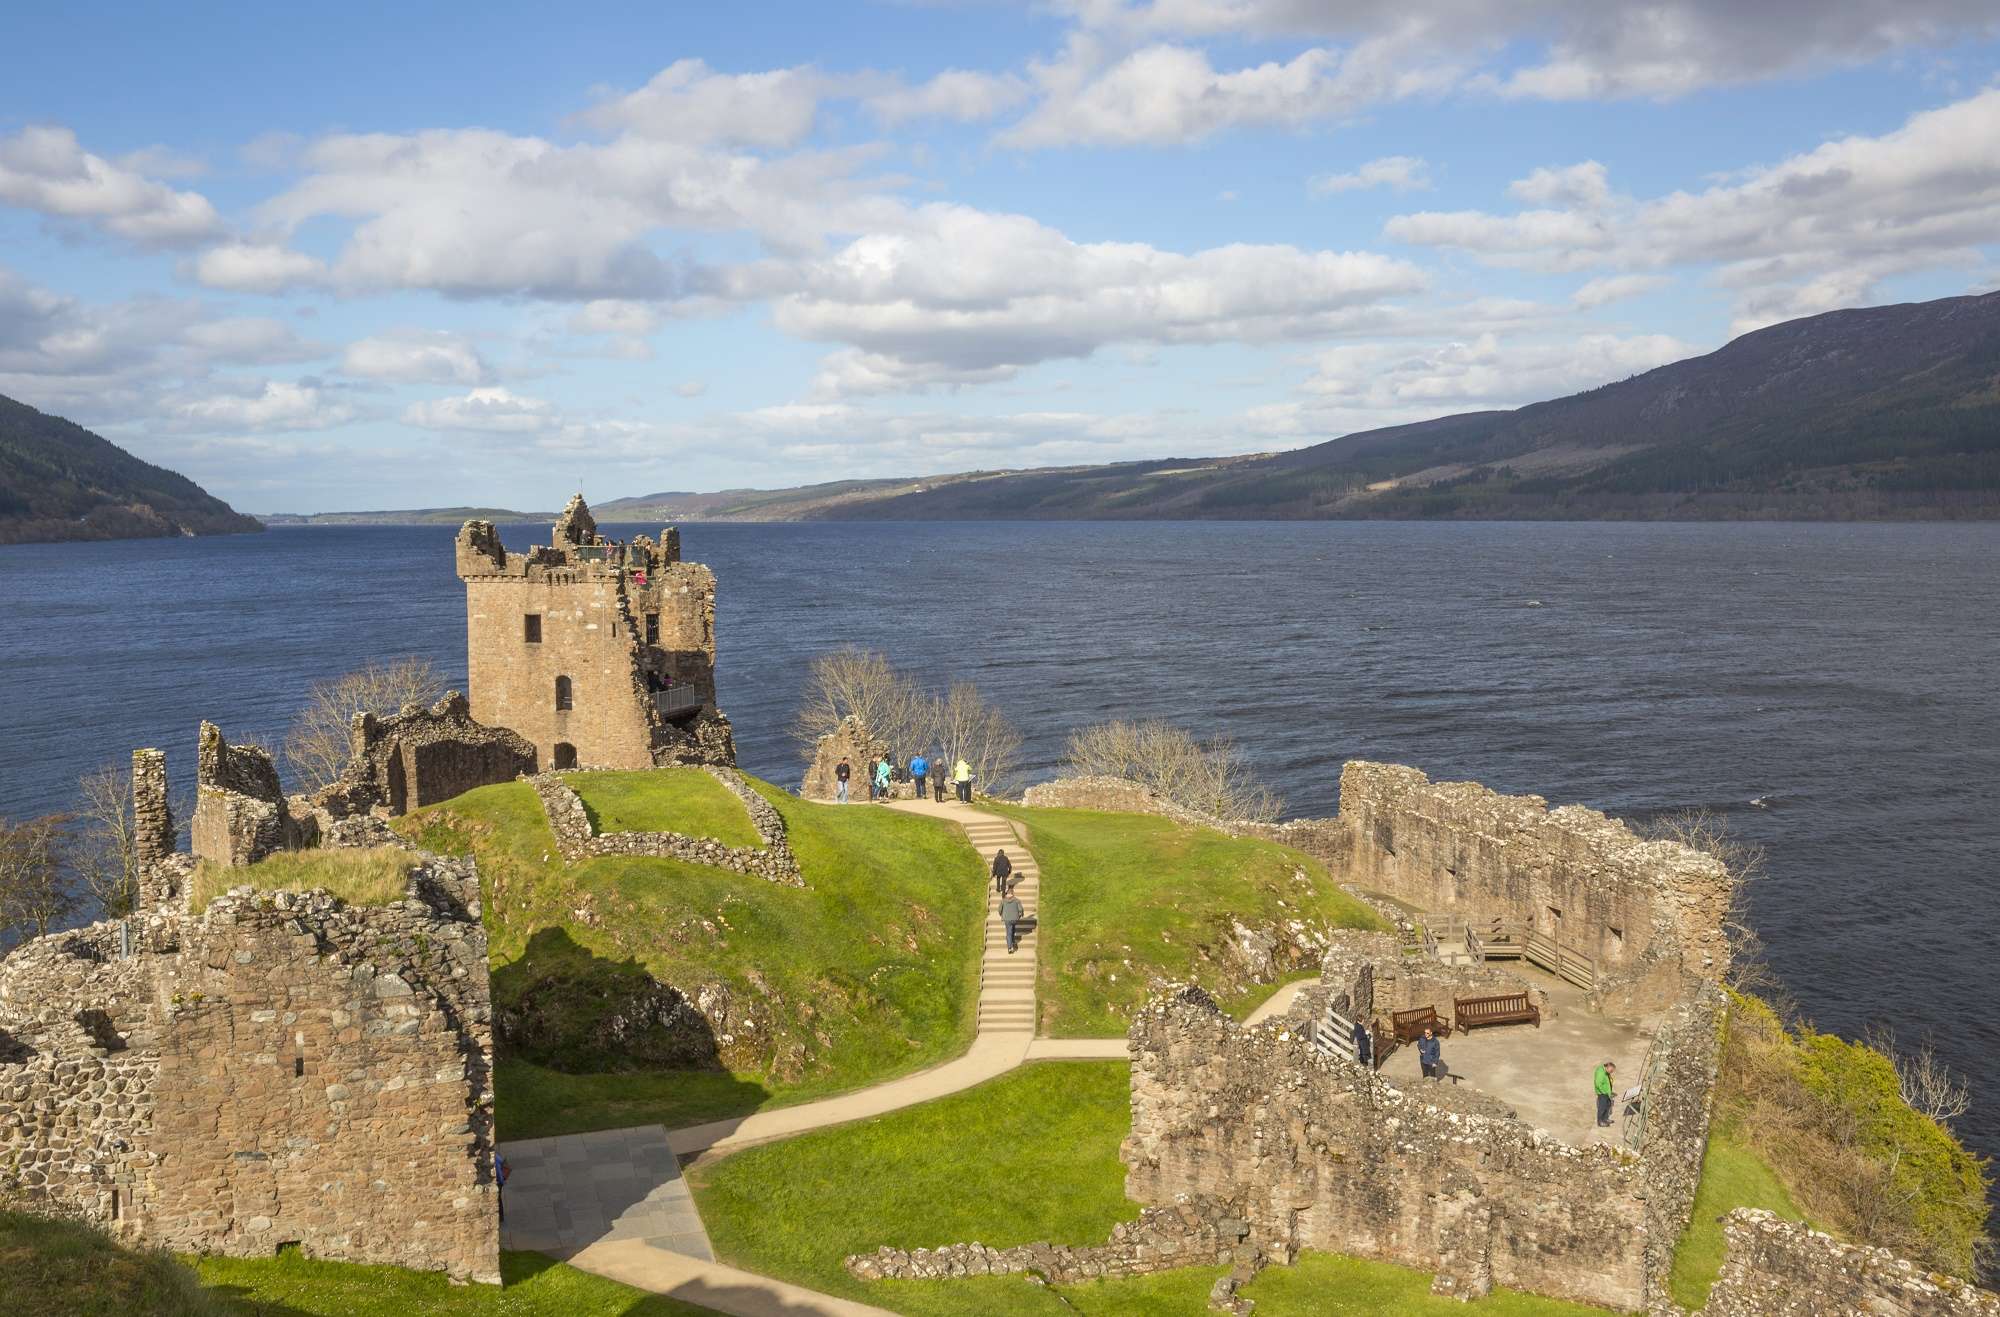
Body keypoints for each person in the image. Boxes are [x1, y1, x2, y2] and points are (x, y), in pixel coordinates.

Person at [1000, 885, 1026, 953]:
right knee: (1013, 928)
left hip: (1007, 919)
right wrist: (1020, 915)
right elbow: (1021, 909)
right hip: (1015, 919)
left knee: (1008, 932)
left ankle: (1010, 947)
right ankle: (1013, 940)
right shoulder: (1017, 900)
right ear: (1013, 893)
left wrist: (1001, 914)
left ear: (1007, 894)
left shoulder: (1003, 900)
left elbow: (999, 909)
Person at [1594, 1060, 1617, 1127]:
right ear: (1607, 1067)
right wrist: (1604, 1092)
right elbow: (1598, 1084)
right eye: (1611, 1070)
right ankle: (1600, 1122)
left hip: (1606, 1093)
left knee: (1608, 1105)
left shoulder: (1605, 1071)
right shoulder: (1601, 1072)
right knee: (1602, 1107)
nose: (1611, 1072)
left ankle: (1605, 1119)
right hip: (1602, 1093)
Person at [494, 1150, 511, 1222]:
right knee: (499, 1199)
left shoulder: (494, 1159)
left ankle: (500, 1217)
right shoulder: (496, 1156)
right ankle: (501, 1217)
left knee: (498, 1199)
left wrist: (501, 1181)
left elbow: (498, 1172)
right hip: (500, 1180)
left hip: (499, 1181)